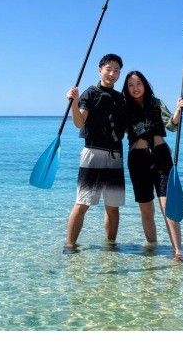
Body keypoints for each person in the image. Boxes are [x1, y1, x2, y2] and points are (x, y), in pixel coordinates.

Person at [122, 70, 183, 262]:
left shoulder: (156, 103)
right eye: (131, 85)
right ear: (127, 89)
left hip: (161, 157)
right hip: (137, 159)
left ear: (145, 84)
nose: (135, 88)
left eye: (138, 83)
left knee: (167, 205)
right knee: (146, 209)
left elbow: (171, 125)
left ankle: (177, 251)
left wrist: (178, 110)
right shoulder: (124, 106)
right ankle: (152, 248)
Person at [64, 54, 128, 252]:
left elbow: (126, 128)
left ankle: (110, 247)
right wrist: (74, 102)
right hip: (93, 152)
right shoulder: (89, 94)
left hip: (115, 155)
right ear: (100, 69)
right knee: (83, 203)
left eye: (116, 70)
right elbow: (79, 123)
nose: (112, 73)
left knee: (113, 206)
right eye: (108, 69)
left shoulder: (120, 99)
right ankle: (70, 245)